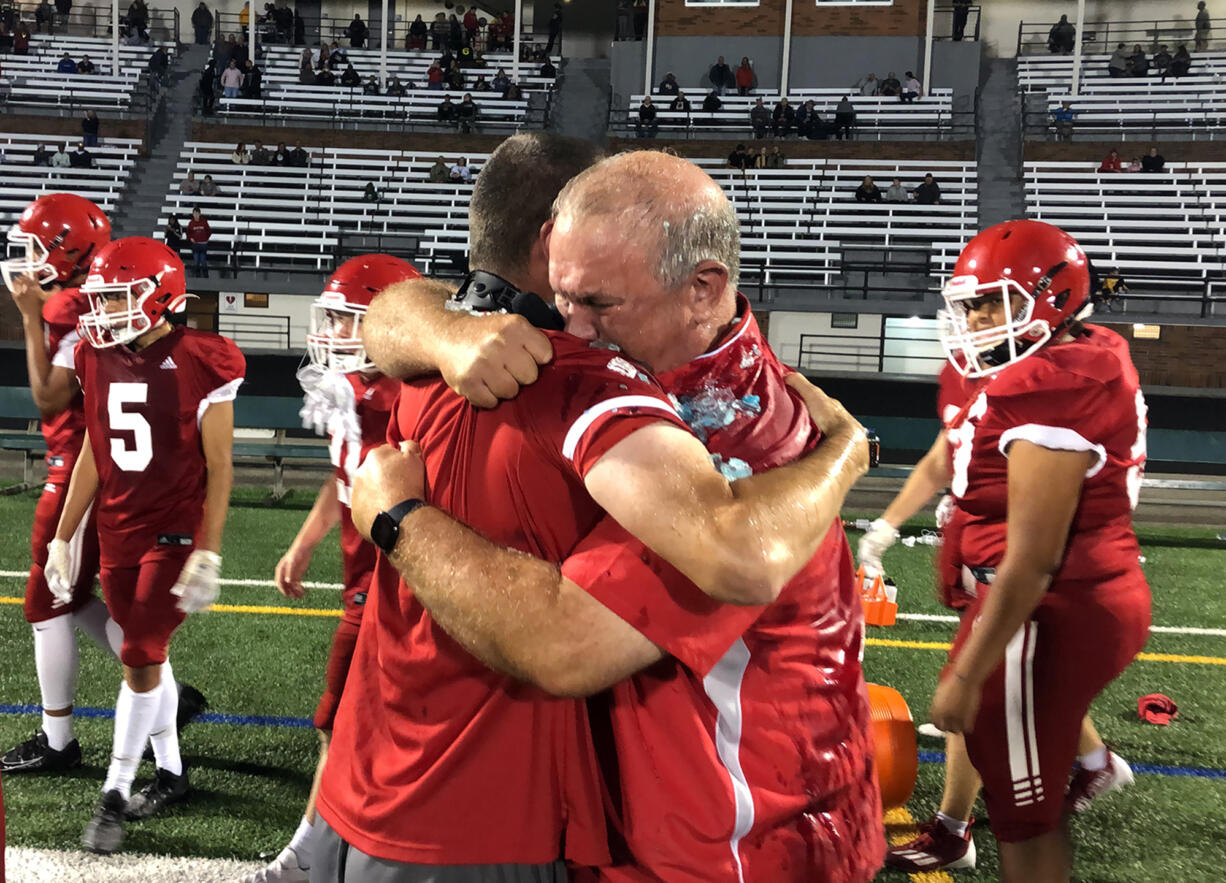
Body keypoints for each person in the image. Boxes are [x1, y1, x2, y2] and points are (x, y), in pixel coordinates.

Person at [335, 144, 883, 883]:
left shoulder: (733, 434)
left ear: (702, 288)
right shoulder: (647, 377)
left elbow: (568, 643)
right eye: (563, 297)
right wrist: (450, 330)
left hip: (742, 851)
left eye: (598, 304)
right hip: (658, 833)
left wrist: (396, 513)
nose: (572, 330)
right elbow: (394, 312)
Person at [926, 219, 1150, 883]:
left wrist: (967, 674)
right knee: (1025, 790)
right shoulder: (1074, 354)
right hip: (1066, 592)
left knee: (1026, 819)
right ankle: (1090, 764)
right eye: (969, 305)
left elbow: (1032, 559)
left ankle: (1082, 770)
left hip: (1044, 608)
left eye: (992, 302)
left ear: (1050, 299)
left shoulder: (1052, 384)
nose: (974, 320)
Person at [57, 236, 242, 855]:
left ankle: (113, 792)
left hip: (175, 530)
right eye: (101, 298)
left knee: (140, 648)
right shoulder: (93, 354)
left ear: (158, 296)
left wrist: (209, 549)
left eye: (117, 298)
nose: (104, 312)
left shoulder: (201, 356)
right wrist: (63, 534)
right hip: (118, 528)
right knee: (144, 663)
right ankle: (173, 774)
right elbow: (93, 449)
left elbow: (221, 466)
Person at [240, 256, 420, 883]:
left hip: (390, 584)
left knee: (337, 720)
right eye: (333, 319)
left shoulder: (409, 400)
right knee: (350, 723)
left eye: (347, 321)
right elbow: (344, 479)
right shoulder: (356, 391)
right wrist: (305, 540)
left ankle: (308, 859)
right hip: (359, 577)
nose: (332, 333)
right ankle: (329, 850)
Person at [0, 195, 125, 777]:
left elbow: (51, 396)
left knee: (45, 602)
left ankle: (58, 741)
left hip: (79, 466)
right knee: (68, 598)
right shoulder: (86, 299)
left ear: (66, 250)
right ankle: (164, 693)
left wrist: (28, 316)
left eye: (34, 246)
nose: (25, 260)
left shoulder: (72, 309)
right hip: (89, 459)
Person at [185, 208, 211, 277]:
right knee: (196, 261)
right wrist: (190, 238)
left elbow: (209, 231)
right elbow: (188, 232)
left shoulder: (204, 221)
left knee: (203, 261)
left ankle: (206, 277)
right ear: (193, 214)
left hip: (203, 244)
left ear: (199, 214)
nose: (196, 215)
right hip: (195, 244)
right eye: (194, 213)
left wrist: (206, 238)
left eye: (197, 213)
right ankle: (197, 277)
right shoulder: (191, 223)